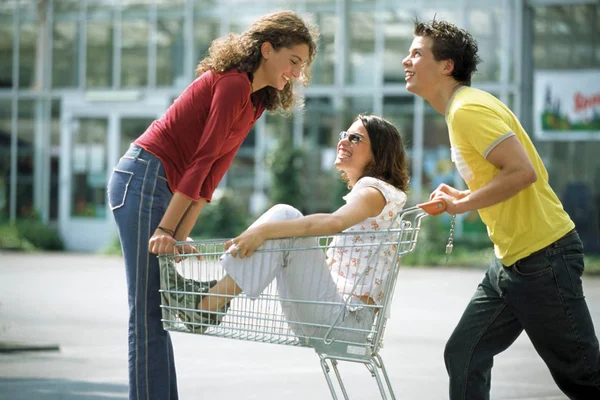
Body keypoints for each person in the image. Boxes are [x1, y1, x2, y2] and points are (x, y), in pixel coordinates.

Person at [107, 11, 318, 400]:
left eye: (302, 67)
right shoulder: (235, 84)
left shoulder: (255, 100)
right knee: (147, 313)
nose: (297, 73)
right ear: (267, 49)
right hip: (142, 178)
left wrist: (179, 235)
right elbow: (201, 159)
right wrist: (167, 231)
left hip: (163, 187)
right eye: (293, 61)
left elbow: (214, 172)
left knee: (158, 314)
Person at [402, 19, 600, 399]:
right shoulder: (463, 109)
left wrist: (463, 203)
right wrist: (463, 194)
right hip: (511, 260)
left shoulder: (466, 110)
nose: (405, 61)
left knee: (584, 378)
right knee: (464, 353)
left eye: (416, 53)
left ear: (446, 66)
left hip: (543, 257)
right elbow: (503, 175)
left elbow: (521, 172)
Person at [162, 114, 410, 342]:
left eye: (355, 138)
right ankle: (208, 302)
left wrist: (263, 232)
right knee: (285, 222)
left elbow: (334, 223)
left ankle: (205, 305)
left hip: (346, 320)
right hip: (333, 313)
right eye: (343, 135)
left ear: (379, 153)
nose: (344, 141)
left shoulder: (375, 191)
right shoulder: (372, 193)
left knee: (285, 215)